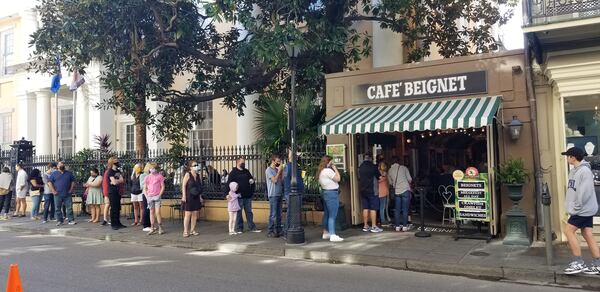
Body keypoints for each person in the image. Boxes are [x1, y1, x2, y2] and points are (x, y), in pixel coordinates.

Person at [561, 147, 600, 275]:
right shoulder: (574, 171)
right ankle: (597, 264)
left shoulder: (584, 171)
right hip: (583, 209)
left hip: (582, 210)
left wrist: (576, 207)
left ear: (573, 157)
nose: (566, 158)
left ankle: (578, 262)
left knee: (568, 230)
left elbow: (585, 192)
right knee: (587, 233)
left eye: (568, 156)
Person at [227, 158, 260, 233]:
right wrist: (226, 194)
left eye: (244, 163)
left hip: (248, 195)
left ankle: (252, 227)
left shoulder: (246, 171)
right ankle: (239, 228)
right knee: (239, 213)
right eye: (242, 163)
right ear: (237, 162)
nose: (243, 164)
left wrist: (252, 182)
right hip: (239, 196)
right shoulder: (233, 172)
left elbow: (251, 180)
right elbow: (228, 184)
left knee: (249, 212)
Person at [318, 155, 343, 242]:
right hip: (332, 193)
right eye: (331, 162)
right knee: (333, 215)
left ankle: (326, 232)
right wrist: (335, 168)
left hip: (325, 192)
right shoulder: (328, 171)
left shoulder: (321, 171)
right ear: (328, 162)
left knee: (327, 214)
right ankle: (332, 234)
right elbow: (338, 178)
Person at [282, 149, 305, 238]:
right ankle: (286, 230)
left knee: (294, 211)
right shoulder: (288, 166)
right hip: (290, 192)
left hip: (298, 191)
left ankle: (293, 227)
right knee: (291, 212)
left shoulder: (296, 166)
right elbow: (286, 177)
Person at [358, 153, 382, 233]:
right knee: (373, 208)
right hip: (372, 190)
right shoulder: (373, 166)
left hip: (363, 190)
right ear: (371, 158)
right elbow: (379, 177)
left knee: (365, 208)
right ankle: (374, 226)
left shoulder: (360, 167)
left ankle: (365, 225)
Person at [388, 156, 413, 232]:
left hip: (397, 191)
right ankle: (405, 226)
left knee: (397, 210)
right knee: (405, 209)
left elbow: (390, 183)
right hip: (405, 190)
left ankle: (397, 226)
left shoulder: (389, 170)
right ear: (398, 161)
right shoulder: (404, 168)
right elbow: (410, 179)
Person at [48, 161, 76, 226]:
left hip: (67, 194)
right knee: (57, 208)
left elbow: (73, 182)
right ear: (57, 166)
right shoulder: (54, 174)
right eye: (60, 164)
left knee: (69, 208)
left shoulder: (69, 173)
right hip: (57, 194)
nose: (62, 165)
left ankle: (71, 220)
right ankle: (60, 221)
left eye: (63, 164)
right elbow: (49, 183)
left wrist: (71, 189)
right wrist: (53, 191)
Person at [181, 160, 203, 237]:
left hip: (196, 197)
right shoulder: (187, 175)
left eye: (197, 165)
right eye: (194, 165)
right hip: (188, 197)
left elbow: (199, 187)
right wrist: (184, 196)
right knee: (188, 214)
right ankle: (185, 231)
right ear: (190, 167)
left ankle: (192, 230)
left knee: (195, 214)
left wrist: (200, 197)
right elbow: (183, 186)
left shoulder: (198, 175)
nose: (196, 166)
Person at [144, 162, 165, 235]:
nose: (153, 170)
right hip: (150, 197)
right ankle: (152, 228)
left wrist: (159, 195)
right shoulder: (147, 177)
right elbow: (145, 188)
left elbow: (162, 186)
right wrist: (147, 197)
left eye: (154, 168)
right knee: (151, 212)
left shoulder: (159, 176)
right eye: (151, 168)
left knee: (157, 212)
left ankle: (160, 228)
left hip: (157, 196)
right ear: (149, 169)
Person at [266, 155, 284, 237]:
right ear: (273, 161)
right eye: (278, 161)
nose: (279, 163)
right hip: (273, 194)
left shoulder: (277, 170)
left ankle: (278, 230)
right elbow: (274, 180)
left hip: (279, 194)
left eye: (279, 161)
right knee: (273, 214)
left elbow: (281, 180)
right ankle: (270, 231)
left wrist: (281, 172)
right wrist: (279, 171)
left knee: (279, 213)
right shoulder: (268, 170)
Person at [106, 157, 126, 230]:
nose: (117, 162)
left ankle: (118, 223)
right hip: (112, 192)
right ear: (112, 163)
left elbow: (122, 180)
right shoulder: (110, 171)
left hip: (117, 192)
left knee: (118, 208)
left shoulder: (117, 171)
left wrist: (116, 181)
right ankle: (113, 224)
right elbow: (113, 182)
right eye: (116, 161)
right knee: (114, 208)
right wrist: (116, 181)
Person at [378, 159, 390, 226]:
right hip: (384, 192)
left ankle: (381, 219)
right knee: (383, 207)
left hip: (379, 191)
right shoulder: (385, 174)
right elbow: (387, 183)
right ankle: (383, 220)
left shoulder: (377, 173)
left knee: (381, 207)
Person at [140, 164, 152, 232]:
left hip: (151, 194)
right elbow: (142, 186)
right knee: (146, 209)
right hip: (145, 194)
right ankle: (145, 225)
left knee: (150, 210)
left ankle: (150, 225)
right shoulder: (143, 175)